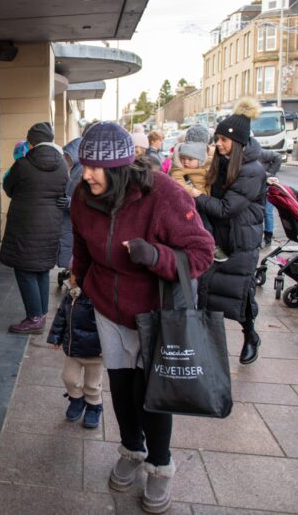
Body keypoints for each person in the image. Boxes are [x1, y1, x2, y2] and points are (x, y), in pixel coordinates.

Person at [71, 122, 214, 514]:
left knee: (151, 394)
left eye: (96, 168)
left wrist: (155, 257)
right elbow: (82, 245)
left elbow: (202, 252)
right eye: (84, 165)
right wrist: (79, 279)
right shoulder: (82, 197)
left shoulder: (161, 193)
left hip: (155, 315)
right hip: (107, 309)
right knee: (120, 386)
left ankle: (160, 466)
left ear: (119, 168)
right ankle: (132, 449)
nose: (86, 174)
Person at [192, 98, 266, 365]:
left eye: (223, 140)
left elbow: (225, 208)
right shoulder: (223, 162)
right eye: (217, 138)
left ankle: (250, 336)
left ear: (238, 142)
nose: (218, 144)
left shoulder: (252, 170)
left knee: (238, 291)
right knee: (209, 290)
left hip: (240, 241)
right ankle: (209, 346)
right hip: (218, 237)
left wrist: (195, 195)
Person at [0, 122, 69, 335]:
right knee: (41, 268)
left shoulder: (23, 164)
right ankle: (41, 313)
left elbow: (9, 188)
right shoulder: (62, 165)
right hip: (51, 225)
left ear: (30, 142)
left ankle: (34, 318)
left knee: (25, 269)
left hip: (25, 225)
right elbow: (62, 192)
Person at [46, 272, 104, 429]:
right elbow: (61, 318)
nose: (70, 279)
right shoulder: (70, 296)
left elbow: (108, 325)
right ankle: (77, 398)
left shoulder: (99, 299)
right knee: (69, 377)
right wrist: (55, 338)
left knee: (92, 384)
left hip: (96, 352)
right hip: (74, 349)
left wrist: (108, 346)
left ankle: (94, 406)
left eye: (73, 275)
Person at [56, 135, 84, 288]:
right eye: (64, 155)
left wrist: (70, 202)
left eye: (68, 156)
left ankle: (74, 282)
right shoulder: (70, 168)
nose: (65, 158)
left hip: (76, 221)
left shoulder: (84, 170)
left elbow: (89, 200)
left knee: (74, 251)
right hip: (65, 219)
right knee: (67, 250)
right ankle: (70, 275)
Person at [258, 148, 283, 246]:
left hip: (268, 186)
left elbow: (278, 157)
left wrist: (270, 173)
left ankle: (268, 234)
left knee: (268, 211)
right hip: (259, 185)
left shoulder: (261, 153)